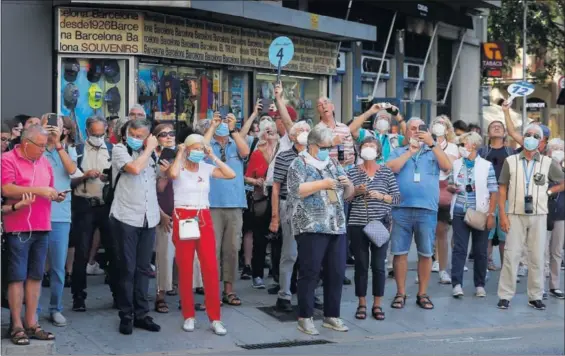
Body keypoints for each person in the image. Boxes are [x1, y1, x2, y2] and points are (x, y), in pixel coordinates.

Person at [2, 125, 67, 345]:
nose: (43, 150)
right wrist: (40, 190)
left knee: (36, 276)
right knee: (17, 277)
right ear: (26, 143)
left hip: (41, 224)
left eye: (45, 145)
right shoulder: (8, 159)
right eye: (40, 145)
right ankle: (16, 325)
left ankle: (32, 322)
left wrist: (55, 195)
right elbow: (7, 189)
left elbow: (47, 189)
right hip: (18, 226)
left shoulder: (44, 162)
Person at [287, 125, 354, 335]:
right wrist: (322, 183)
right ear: (314, 145)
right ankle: (305, 317)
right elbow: (296, 190)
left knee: (335, 272)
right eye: (325, 147)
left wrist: (348, 183)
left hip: (336, 225)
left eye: (330, 147)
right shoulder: (299, 163)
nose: (328, 150)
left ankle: (331, 315)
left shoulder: (332, 163)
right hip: (310, 225)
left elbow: (348, 192)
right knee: (310, 272)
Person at [167, 134, 236, 335]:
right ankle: (188, 315)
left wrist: (212, 156)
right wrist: (180, 152)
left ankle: (215, 317)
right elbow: (172, 175)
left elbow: (230, 174)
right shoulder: (178, 166)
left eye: (201, 149)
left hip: (203, 216)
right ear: (187, 149)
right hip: (183, 215)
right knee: (185, 267)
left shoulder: (206, 168)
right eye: (194, 148)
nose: (198, 152)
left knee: (210, 267)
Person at [497, 124, 565, 310]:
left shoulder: (546, 162)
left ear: (541, 142)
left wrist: (549, 191)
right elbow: (502, 188)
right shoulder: (510, 161)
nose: (531, 138)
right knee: (511, 255)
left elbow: (562, 182)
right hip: (515, 214)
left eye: (536, 135)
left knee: (537, 256)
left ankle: (535, 295)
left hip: (539, 214)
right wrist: (502, 214)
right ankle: (505, 295)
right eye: (528, 134)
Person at [386, 117, 452, 310]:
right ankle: (401, 293)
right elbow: (391, 169)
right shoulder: (398, 151)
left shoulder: (433, 151)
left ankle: (422, 293)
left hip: (427, 210)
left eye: (420, 128)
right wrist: (409, 152)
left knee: (425, 253)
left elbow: (447, 166)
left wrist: (432, 143)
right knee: (400, 253)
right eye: (412, 128)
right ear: (406, 132)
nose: (416, 132)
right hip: (401, 209)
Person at [110, 118, 163, 334]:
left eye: (141, 135)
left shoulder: (152, 154)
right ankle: (126, 315)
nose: (136, 139)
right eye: (133, 134)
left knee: (143, 269)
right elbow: (133, 168)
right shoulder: (119, 150)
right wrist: (149, 148)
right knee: (127, 268)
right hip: (125, 217)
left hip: (148, 218)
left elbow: (158, 182)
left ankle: (142, 313)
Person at [347, 136, 400, 321]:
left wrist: (381, 196)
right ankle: (362, 303)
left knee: (378, 266)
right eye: (365, 145)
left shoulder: (385, 172)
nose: (368, 148)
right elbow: (345, 198)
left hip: (380, 224)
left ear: (378, 152)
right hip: (357, 223)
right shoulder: (353, 172)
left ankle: (377, 304)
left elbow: (397, 198)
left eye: (372, 146)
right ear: (360, 151)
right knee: (361, 265)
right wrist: (356, 191)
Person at [70, 117, 118, 312]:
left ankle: (118, 294)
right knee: (81, 253)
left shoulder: (113, 149)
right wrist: (84, 175)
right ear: (87, 131)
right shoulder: (78, 150)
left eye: (101, 134)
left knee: (114, 252)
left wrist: (109, 177)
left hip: (106, 205)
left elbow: (120, 178)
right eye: (94, 134)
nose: (98, 137)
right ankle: (78, 297)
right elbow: (69, 181)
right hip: (84, 205)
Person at [203, 112, 250, 306]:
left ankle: (229, 290)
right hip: (212, 203)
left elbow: (245, 152)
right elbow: (200, 147)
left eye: (225, 120)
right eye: (220, 120)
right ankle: (211, 292)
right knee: (211, 250)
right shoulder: (207, 145)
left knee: (232, 249)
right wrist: (212, 126)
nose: (223, 123)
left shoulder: (234, 142)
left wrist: (233, 130)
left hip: (235, 203)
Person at [447, 132, 497, 298]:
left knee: (480, 250)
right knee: (459, 249)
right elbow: (449, 184)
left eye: (464, 144)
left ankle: (480, 284)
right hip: (460, 211)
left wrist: (491, 213)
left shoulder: (486, 165)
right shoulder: (456, 164)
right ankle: (457, 284)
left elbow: (493, 191)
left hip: (480, 212)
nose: (462, 147)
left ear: (474, 145)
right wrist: (452, 187)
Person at [40, 116, 78, 327]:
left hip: (60, 215)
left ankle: (56, 308)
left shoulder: (68, 150)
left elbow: (72, 170)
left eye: (57, 126)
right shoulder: (35, 149)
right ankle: (33, 311)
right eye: (49, 124)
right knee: (35, 266)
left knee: (58, 267)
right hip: (37, 212)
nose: (54, 129)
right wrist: (44, 138)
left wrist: (57, 145)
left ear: (64, 130)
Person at [269, 121, 311, 312]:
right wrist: (275, 216)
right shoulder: (284, 157)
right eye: (300, 130)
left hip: (312, 205)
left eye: (307, 130)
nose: (304, 133)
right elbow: (276, 188)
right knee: (290, 252)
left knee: (311, 254)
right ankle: (284, 295)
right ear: (292, 136)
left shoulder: (315, 156)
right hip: (290, 204)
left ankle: (308, 294)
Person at [244, 118, 280, 289]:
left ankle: (277, 275)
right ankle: (257, 274)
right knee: (260, 238)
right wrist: (256, 181)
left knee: (278, 239)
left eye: (272, 131)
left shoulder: (282, 151)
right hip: (262, 199)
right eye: (266, 131)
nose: (269, 134)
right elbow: (246, 176)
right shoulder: (257, 153)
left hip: (279, 198)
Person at [478, 119, 515, 271]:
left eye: (500, 127)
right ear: (488, 133)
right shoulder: (483, 152)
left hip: (506, 197)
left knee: (504, 234)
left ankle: (505, 266)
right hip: (487, 197)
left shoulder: (510, 152)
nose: (497, 128)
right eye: (493, 127)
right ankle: (487, 263)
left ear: (505, 132)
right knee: (487, 232)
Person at [431, 115, 459, 284]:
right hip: (428, 187)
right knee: (426, 232)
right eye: (436, 124)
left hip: (444, 189)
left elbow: (448, 166)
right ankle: (425, 267)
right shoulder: (424, 145)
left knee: (442, 231)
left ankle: (442, 269)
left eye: (442, 124)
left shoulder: (453, 147)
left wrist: (436, 146)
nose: (439, 126)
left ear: (447, 129)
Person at [153, 124, 176, 313]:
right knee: (164, 257)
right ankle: (160, 296)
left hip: (184, 214)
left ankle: (187, 295)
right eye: (163, 134)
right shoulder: (155, 159)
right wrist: (167, 173)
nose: (169, 137)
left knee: (189, 259)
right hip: (164, 213)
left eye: (171, 133)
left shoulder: (182, 156)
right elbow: (158, 189)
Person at [545, 138, 564, 299]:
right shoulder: (544, 164)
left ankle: (554, 285)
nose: (557, 151)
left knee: (556, 250)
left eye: (560, 148)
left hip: (561, 212)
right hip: (544, 211)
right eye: (554, 148)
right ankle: (539, 286)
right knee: (541, 250)